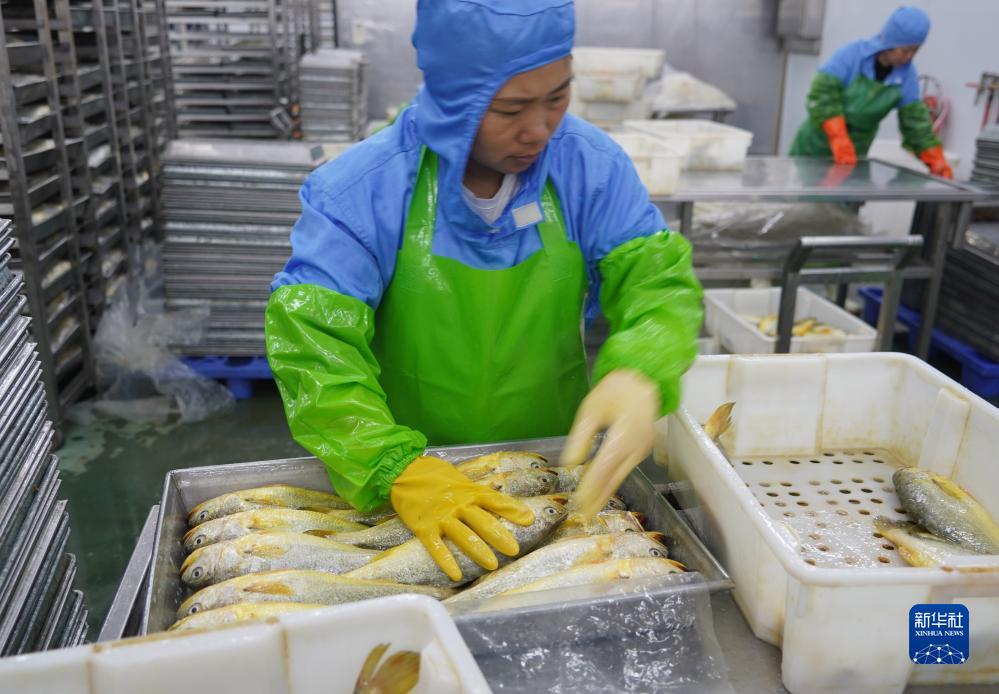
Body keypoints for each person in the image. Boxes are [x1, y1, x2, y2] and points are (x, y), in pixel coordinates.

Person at [265, 0, 702, 582]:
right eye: (510, 108)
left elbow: (655, 280)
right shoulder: (362, 189)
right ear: (452, 96)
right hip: (409, 483)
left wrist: (643, 365)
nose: (539, 128)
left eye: (557, 97)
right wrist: (392, 465)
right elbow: (314, 344)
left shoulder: (589, 167)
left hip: (546, 472)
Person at [790, 5, 952, 179]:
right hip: (814, 147)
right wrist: (838, 138)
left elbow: (915, 125)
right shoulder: (852, 55)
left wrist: (936, 160)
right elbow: (823, 95)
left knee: (842, 196)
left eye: (915, 50)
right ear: (891, 42)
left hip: (856, 155)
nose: (909, 57)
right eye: (905, 50)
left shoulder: (907, 77)